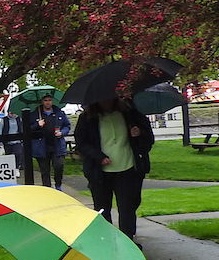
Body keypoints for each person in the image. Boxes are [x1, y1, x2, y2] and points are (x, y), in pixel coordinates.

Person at [73, 97, 155, 240]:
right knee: (102, 208)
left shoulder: (131, 114)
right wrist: (99, 157)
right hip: (100, 172)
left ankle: (128, 240)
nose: (106, 102)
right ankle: (106, 239)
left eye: (110, 98)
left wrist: (139, 134)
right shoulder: (87, 118)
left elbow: (148, 142)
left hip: (127, 168)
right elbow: (81, 143)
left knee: (127, 208)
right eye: (103, 99)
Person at [30, 94, 71, 190]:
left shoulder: (59, 113)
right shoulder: (35, 114)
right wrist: (37, 124)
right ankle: (47, 188)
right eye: (45, 100)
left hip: (57, 145)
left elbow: (67, 126)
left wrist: (62, 132)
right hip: (42, 146)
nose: (48, 102)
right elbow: (27, 129)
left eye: (49, 100)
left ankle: (58, 184)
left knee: (59, 166)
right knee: (44, 170)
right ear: (42, 102)